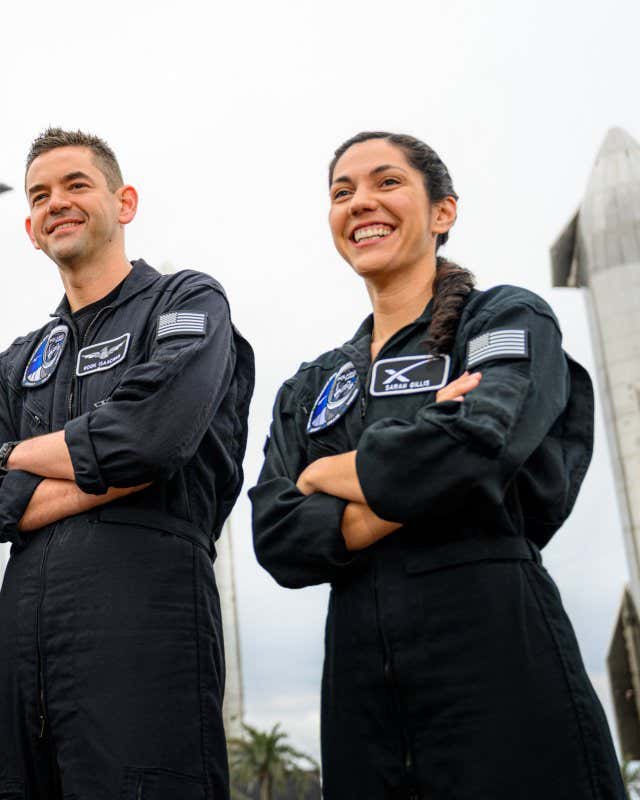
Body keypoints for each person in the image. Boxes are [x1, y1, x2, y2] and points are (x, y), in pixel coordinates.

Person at [249, 131, 625, 798]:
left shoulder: (502, 318)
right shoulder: (313, 385)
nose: (361, 201)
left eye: (386, 182)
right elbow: (277, 537)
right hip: (360, 684)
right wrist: (419, 468)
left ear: (443, 212)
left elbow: (477, 449)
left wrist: (322, 475)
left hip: (499, 653)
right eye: (342, 192)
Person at [0, 128, 254, 799]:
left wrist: (12, 458)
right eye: (40, 195)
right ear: (29, 229)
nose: (57, 202)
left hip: (147, 625)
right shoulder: (20, 360)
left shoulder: (186, 303)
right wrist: (108, 476)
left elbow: (151, 438)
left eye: (76, 184)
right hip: (25, 644)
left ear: (126, 202)